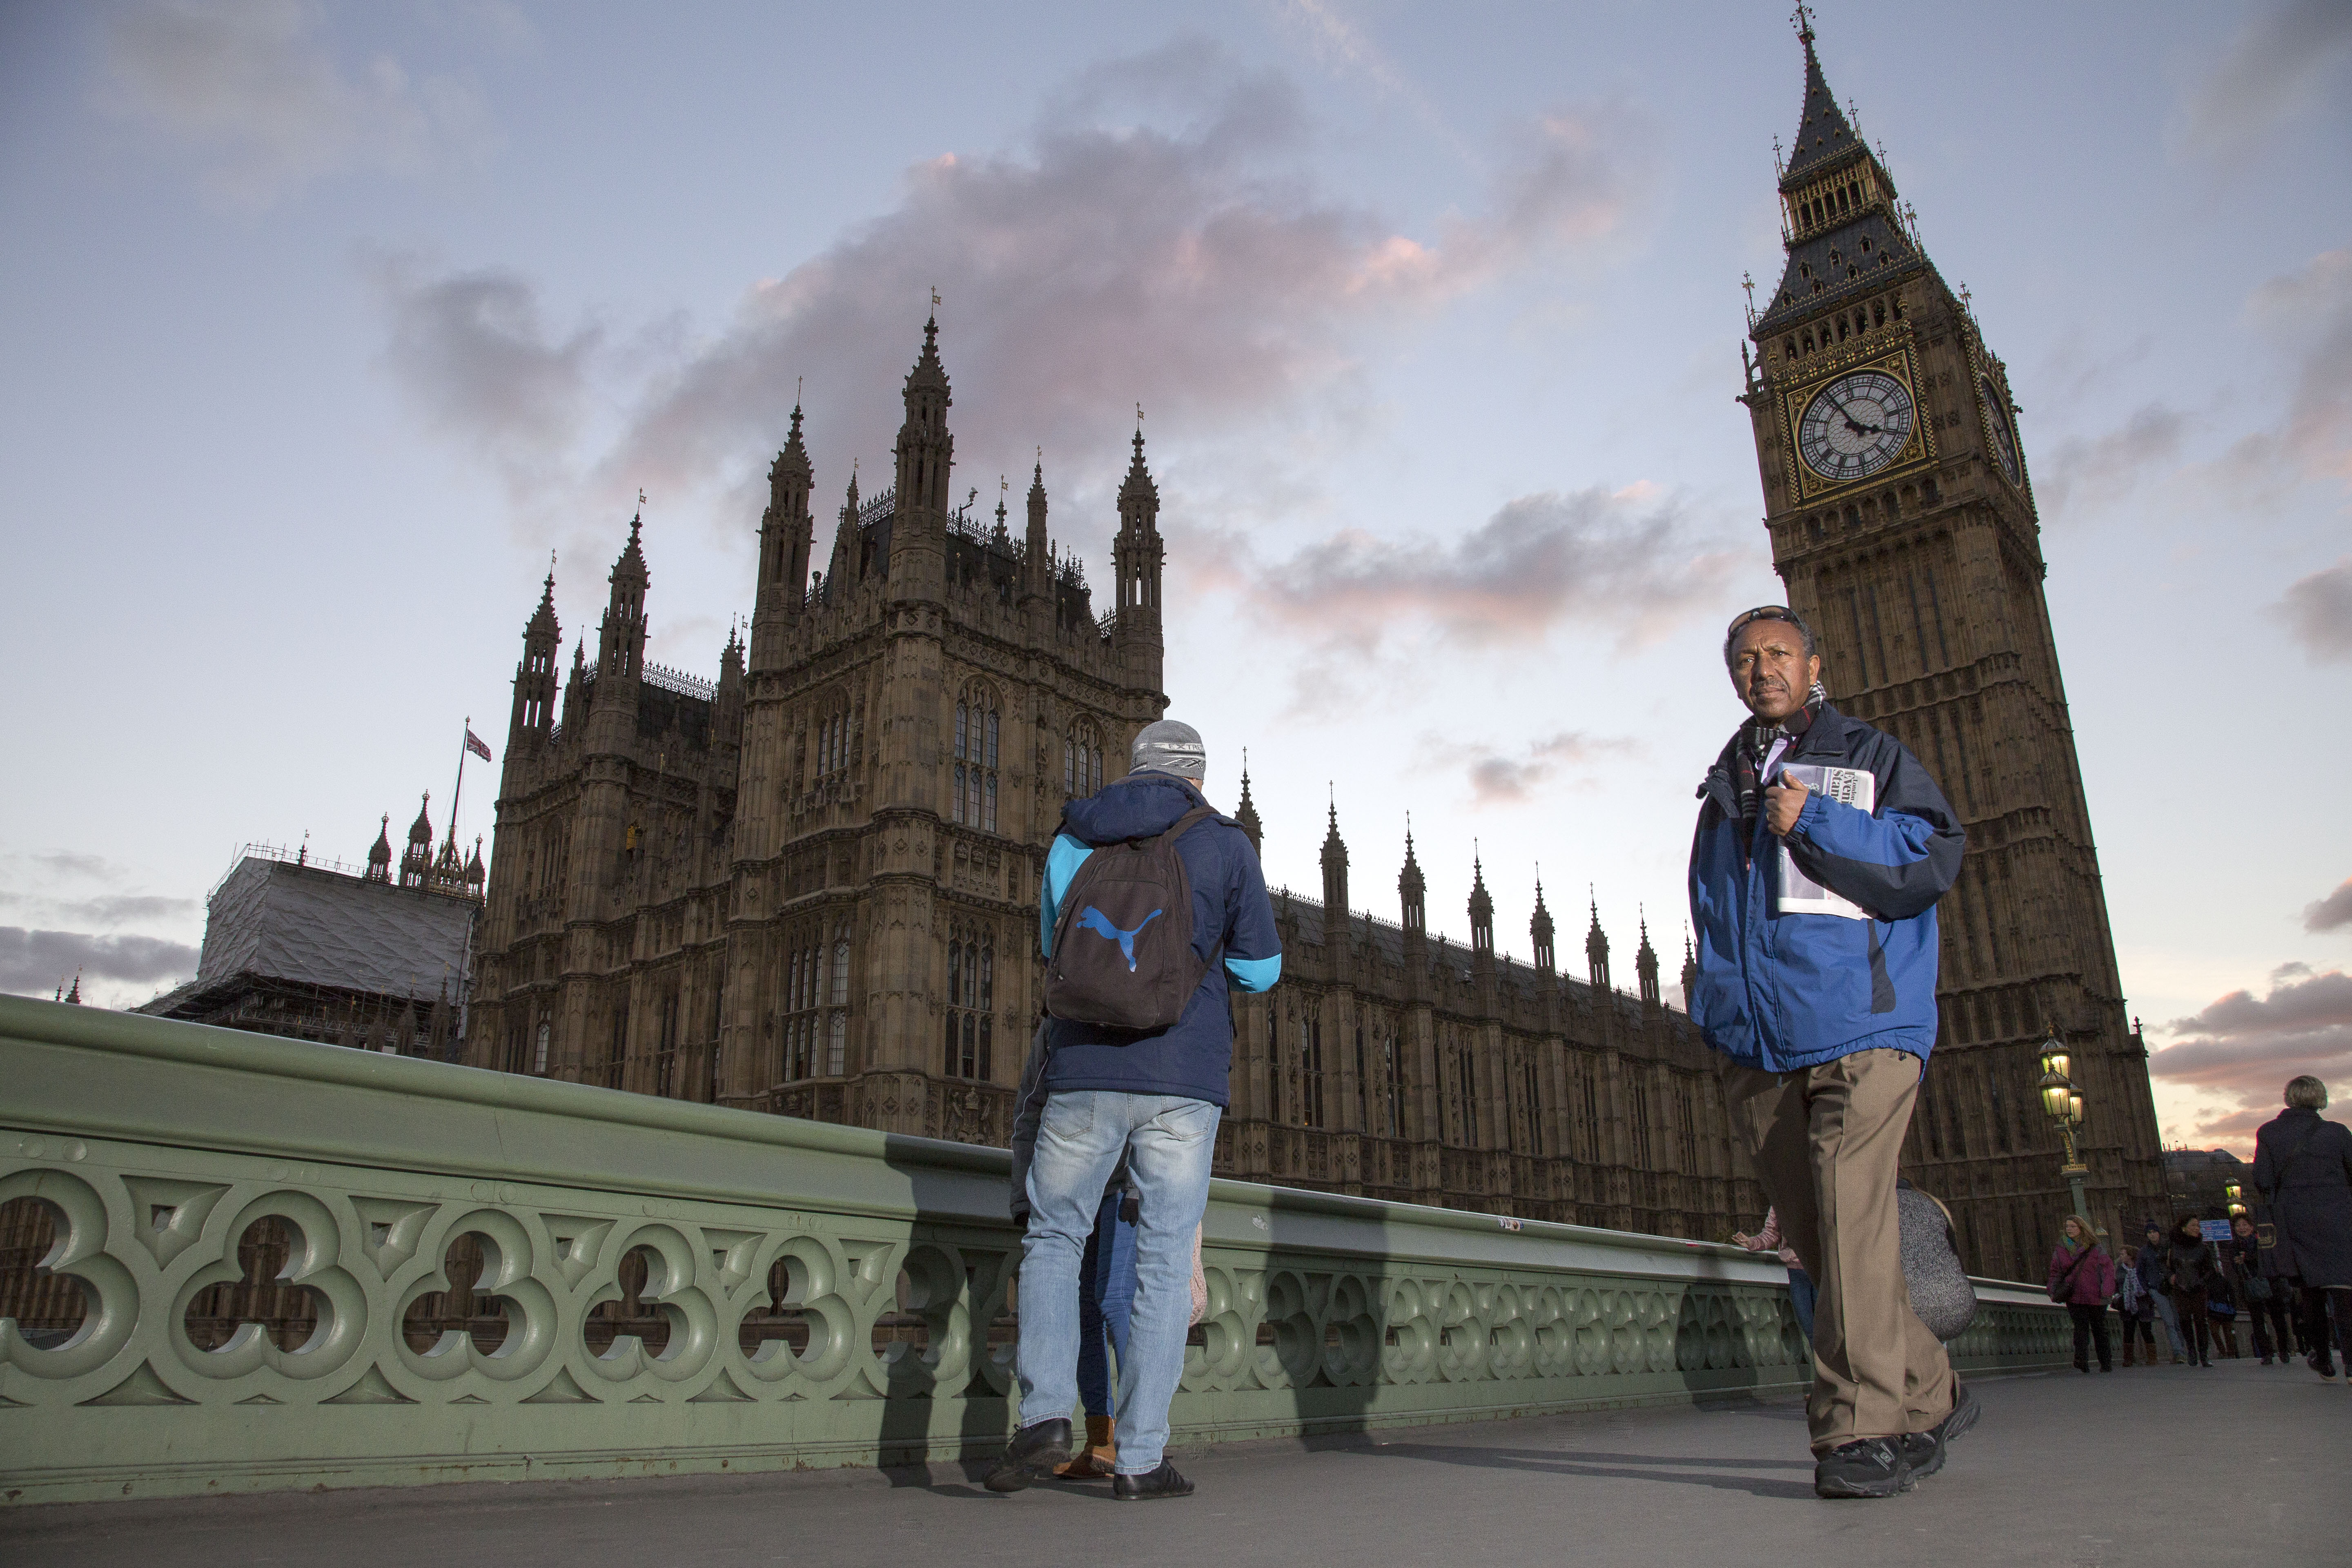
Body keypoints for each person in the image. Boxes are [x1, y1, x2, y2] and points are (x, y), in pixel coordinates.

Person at [1687, 606, 1973, 1500]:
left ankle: (1856, 1432)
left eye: (1777, 653)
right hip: (1763, 1040)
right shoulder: (1725, 782)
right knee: (1824, 1239)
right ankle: (1928, 1389)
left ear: (1816, 662)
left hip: (1864, 1027)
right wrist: (1715, 1007)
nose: (1761, 668)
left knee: (1852, 1215)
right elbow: (1719, 917)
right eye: (1745, 658)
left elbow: (1933, 857)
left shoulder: (1873, 758)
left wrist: (1818, 820)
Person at [988, 720, 1281, 1501]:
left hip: (1083, 1068)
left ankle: (1046, 1413)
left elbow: (1056, 950)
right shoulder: (1225, 844)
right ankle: (1143, 1457)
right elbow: (1261, 970)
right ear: (1197, 778)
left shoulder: (1074, 836)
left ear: (1134, 770)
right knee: (1161, 1259)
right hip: (1183, 1084)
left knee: (1053, 1238)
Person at [1007, 1022, 1137, 1479]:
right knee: (1084, 1310)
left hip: (1126, 1184)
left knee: (1115, 1299)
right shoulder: (1054, 1027)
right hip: (1083, 1183)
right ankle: (1101, 1439)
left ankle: (1137, 1444)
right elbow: (1029, 1110)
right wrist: (1024, 1197)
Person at [2252, 1075, 2352, 1383]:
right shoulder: (2337, 1132)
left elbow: (2263, 1180)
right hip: (2338, 1218)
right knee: (2345, 1294)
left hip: (2294, 1220)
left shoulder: (2269, 1133)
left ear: (2289, 1098)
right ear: (2320, 1098)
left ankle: (2323, 1359)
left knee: (2310, 1296)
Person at [1734, 1207, 1815, 1345]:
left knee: (1829, 1331)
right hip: (1797, 1274)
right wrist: (1752, 1243)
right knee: (1810, 1331)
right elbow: (1772, 1233)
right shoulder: (1781, 1198)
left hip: (1824, 1271)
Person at [2047, 1216, 2115, 1373]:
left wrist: (2107, 1290)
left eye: (2072, 1226)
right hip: (2074, 1294)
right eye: (2067, 1226)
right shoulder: (2061, 1249)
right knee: (2080, 1328)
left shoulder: (2096, 1247)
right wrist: (2053, 1289)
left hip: (2096, 1295)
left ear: (2081, 1228)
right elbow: (2055, 1271)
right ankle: (2081, 1361)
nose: (2069, 1229)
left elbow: (2108, 1268)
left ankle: (2105, 1363)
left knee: (2099, 1329)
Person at [2232, 1212, 2297, 1365]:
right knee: (2257, 1320)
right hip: (2250, 1285)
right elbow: (2235, 1265)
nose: (2242, 1228)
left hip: (2268, 1282)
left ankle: (2283, 1348)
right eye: (2238, 1226)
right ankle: (2266, 1353)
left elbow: (2266, 1258)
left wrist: (2246, 1258)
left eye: (2245, 1225)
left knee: (2277, 1317)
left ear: (2251, 1226)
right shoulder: (2235, 1245)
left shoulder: (2261, 1239)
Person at [2163, 1214, 2218, 1368]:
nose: (2197, 1229)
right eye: (2193, 1226)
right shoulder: (2173, 1246)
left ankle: (2203, 1354)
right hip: (2180, 1288)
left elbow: (2210, 1270)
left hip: (2198, 1289)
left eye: (2198, 1226)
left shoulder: (2203, 1248)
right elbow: (2166, 1267)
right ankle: (2192, 1351)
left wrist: (2202, 1281)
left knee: (2201, 1322)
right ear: (2184, 1228)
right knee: (2185, 1321)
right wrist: (2171, 1277)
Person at [2135, 1219, 2187, 1365]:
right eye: (2150, 1233)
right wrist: (2148, 1289)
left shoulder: (2169, 1248)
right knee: (2169, 1321)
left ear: (2159, 1233)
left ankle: (2182, 1349)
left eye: (2155, 1232)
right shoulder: (2144, 1252)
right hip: (2157, 1290)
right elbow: (2139, 1272)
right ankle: (2178, 1352)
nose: (2153, 1235)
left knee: (2178, 1321)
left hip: (2173, 1287)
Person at [2113, 1245, 2158, 1368]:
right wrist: (2117, 1295)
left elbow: (2148, 1282)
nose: (2121, 1257)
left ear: (2130, 1256)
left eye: (2123, 1254)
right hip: (2127, 1303)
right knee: (2128, 1330)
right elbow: (2117, 1284)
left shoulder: (2141, 1268)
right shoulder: (2120, 1270)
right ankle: (2128, 1358)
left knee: (2146, 1330)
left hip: (2143, 1302)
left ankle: (2152, 1358)